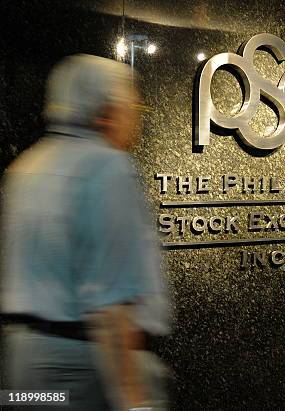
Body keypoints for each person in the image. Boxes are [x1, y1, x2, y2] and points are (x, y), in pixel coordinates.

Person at [1, 54, 169, 410]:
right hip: (84, 371)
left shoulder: (28, 165)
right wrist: (135, 401)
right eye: (132, 105)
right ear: (106, 112)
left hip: (24, 364)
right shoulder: (107, 167)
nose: (137, 116)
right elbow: (112, 301)